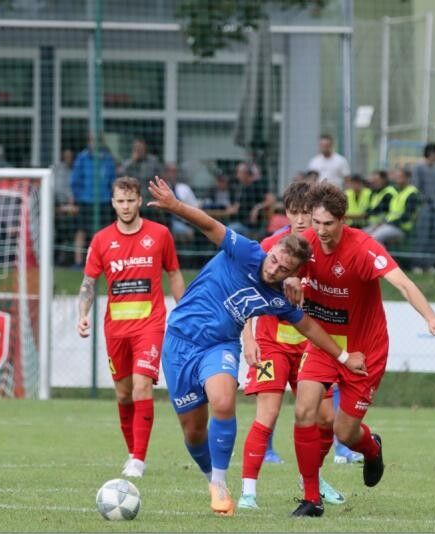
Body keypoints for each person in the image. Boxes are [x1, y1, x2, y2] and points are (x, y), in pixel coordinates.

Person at [146, 177, 366, 516]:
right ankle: (209, 474)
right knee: (193, 431)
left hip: (220, 345)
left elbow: (309, 326)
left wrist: (343, 356)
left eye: (284, 268)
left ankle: (221, 484)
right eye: (275, 259)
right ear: (272, 249)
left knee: (223, 400)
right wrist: (176, 206)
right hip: (179, 341)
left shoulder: (278, 298)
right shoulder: (247, 250)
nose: (275, 266)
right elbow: (210, 225)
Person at [288, 182, 435, 518]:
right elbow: (280, 268)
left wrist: (431, 317)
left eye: (328, 224)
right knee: (304, 410)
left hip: (366, 352)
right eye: (316, 223)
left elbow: (403, 283)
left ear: (343, 220)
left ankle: (371, 447)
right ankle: (312, 500)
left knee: (344, 431)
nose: (320, 231)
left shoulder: (363, 248)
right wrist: (289, 280)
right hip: (324, 345)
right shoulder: (305, 244)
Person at [237, 181, 346, 510]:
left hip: (310, 348)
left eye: (307, 214)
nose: (301, 220)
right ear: (286, 214)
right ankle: (248, 493)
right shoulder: (271, 246)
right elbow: (246, 296)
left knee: (326, 420)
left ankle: (310, 477)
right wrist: (249, 337)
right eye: (295, 213)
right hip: (272, 343)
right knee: (266, 415)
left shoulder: (323, 248)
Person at [77, 176, 185, 478]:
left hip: (149, 326)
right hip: (116, 330)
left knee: (141, 386)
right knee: (124, 395)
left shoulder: (160, 235)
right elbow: (88, 284)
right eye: (119, 201)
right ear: (113, 203)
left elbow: (174, 273)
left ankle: (139, 458)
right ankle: (131, 452)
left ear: (139, 201)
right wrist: (83, 314)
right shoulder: (100, 240)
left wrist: (185, 311)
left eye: (130, 200)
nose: (125, 207)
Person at [70, 135, 117, 267]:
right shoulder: (82, 158)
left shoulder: (108, 159)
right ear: (89, 142)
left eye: (97, 140)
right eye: (92, 140)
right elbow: (75, 180)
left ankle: (104, 262)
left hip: (103, 201)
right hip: (85, 201)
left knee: (104, 233)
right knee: (81, 231)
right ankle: (78, 261)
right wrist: (78, 198)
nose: (95, 143)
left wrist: (111, 197)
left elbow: (112, 180)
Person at [410, 142, 435, 272]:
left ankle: (429, 264)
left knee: (433, 236)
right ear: (431, 154)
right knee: (422, 236)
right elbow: (415, 187)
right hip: (424, 207)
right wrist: (423, 201)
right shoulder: (418, 168)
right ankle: (417, 264)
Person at [368, 167, 420, 251]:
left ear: (407, 178)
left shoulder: (412, 193)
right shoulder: (399, 192)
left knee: (374, 238)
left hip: (402, 228)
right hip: (390, 225)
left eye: (400, 177)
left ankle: (385, 262)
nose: (397, 180)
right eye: (396, 177)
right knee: (365, 235)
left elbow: (407, 217)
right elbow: (391, 214)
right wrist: (382, 224)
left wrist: (388, 224)